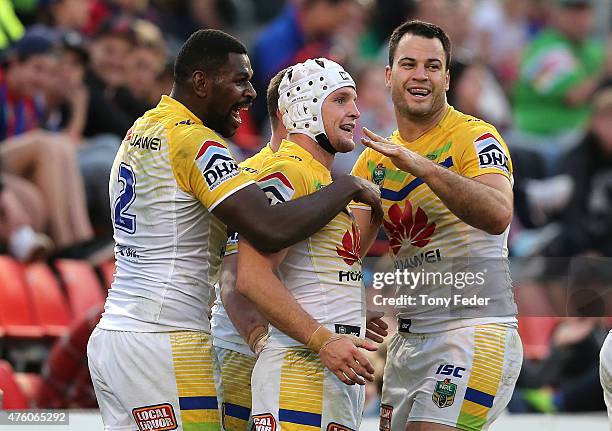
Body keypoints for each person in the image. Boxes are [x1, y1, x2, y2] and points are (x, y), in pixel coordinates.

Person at [87, 29, 382, 431]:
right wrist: (349, 186)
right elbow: (266, 229)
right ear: (201, 82)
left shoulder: (140, 131)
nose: (249, 94)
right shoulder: (195, 142)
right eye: (239, 80)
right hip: (168, 339)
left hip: (117, 335)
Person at [351, 21, 522, 431]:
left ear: (446, 77)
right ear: (390, 75)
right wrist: (359, 304)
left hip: (473, 329)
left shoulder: (476, 137)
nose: (421, 75)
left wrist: (422, 166)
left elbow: (499, 214)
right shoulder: (372, 162)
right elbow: (347, 252)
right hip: (407, 342)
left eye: (432, 66)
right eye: (409, 64)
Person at [236, 58, 387, 431]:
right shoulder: (288, 170)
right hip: (297, 374)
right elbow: (252, 277)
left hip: (331, 371)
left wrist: (346, 317)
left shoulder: (320, 177)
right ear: (304, 108)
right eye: (340, 100)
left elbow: (318, 266)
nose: (355, 111)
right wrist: (323, 339)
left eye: (354, 100)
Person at [210, 67, 288, 431]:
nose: (353, 112)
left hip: (281, 353)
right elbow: (232, 276)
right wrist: (260, 341)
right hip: (243, 352)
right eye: (335, 102)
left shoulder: (312, 176)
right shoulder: (263, 175)